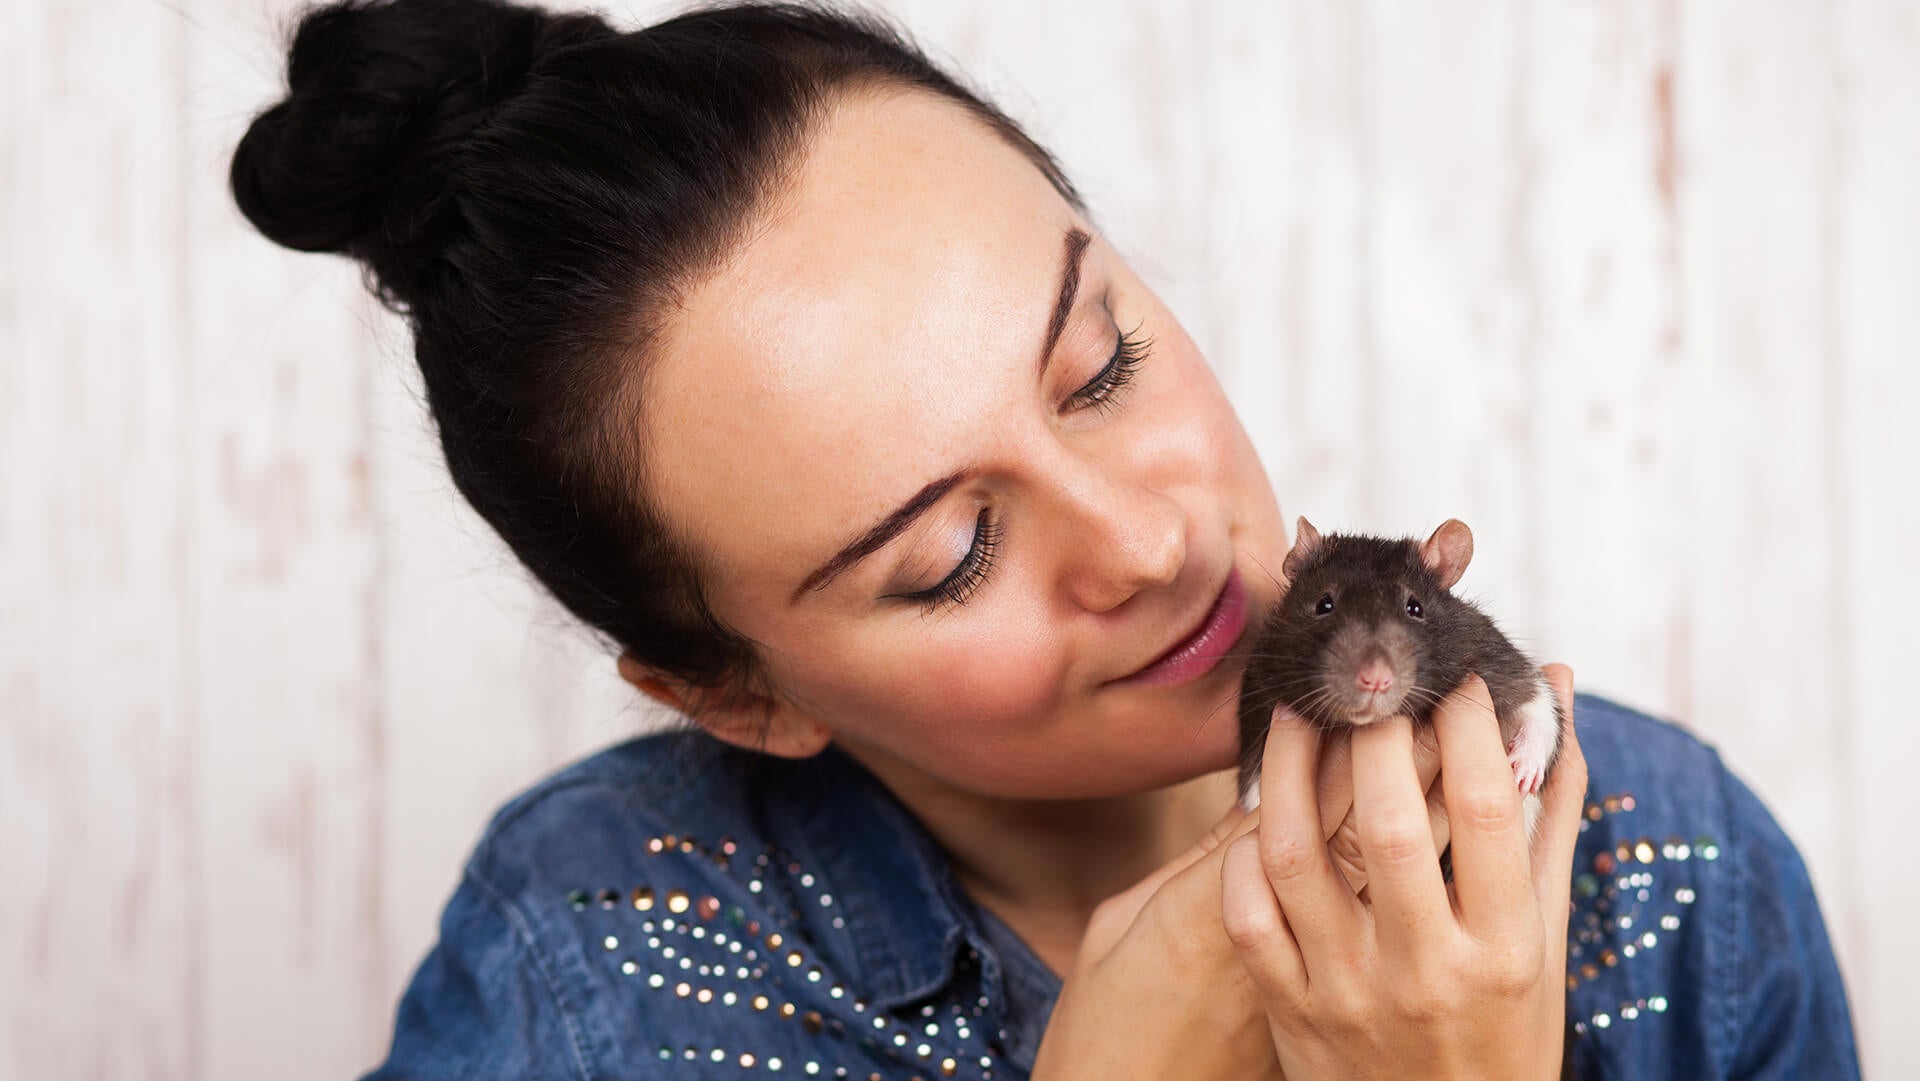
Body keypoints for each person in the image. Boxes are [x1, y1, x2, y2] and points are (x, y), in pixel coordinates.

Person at [228, 1, 1862, 1077]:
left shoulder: (1673, 883)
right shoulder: (590, 969)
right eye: (947, 554)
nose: (1150, 537)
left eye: (1103, 365)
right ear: (739, 696)